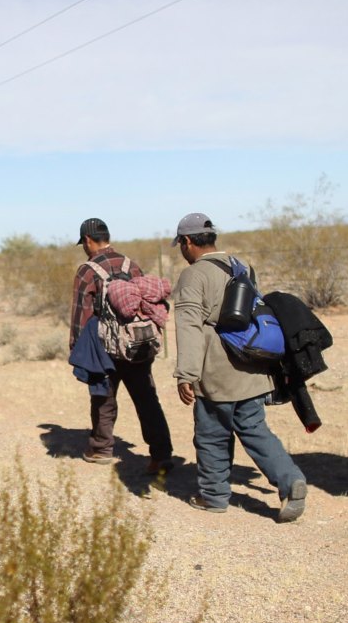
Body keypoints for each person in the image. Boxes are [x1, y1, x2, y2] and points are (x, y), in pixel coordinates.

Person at [171, 212, 306, 522]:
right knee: (255, 429)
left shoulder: (194, 276)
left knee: (211, 434)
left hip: (218, 372)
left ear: (188, 242)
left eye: (181, 244)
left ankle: (214, 496)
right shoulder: (240, 265)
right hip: (253, 367)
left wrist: (186, 374)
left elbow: (189, 326)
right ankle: (289, 479)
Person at [69, 217, 173, 474]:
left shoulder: (87, 270)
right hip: (137, 343)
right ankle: (161, 455)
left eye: (84, 242)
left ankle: (101, 448)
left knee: (103, 396)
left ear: (88, 241)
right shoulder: (130, 264)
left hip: (105, 344)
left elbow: (80, 314)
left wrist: (77, 348)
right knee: (147, 398)